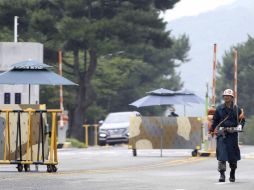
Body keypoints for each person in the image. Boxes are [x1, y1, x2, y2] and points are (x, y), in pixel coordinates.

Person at [209, 88, 245, 183]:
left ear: (232, 97)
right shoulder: (219, 108)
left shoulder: (237, 109)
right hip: (222, 135)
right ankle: (222, 174)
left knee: (232, 156)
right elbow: (215, 120)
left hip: (232, 136)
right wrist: (212, 129)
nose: (226, 97)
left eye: (229, 96)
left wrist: (240, 125)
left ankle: (232, 173)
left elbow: (242, 120)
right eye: (225, 96)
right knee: (221, 155)